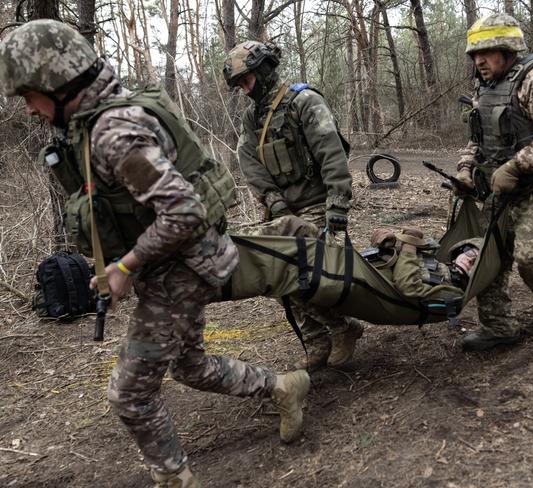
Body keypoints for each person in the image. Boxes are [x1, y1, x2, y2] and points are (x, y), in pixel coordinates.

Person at [0, 20, 310, 488]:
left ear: (57, 83)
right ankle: (283, 387)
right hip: (175, 265)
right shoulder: (94, 125)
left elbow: (183, 212)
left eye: (29, 96)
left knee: (130, 395)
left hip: (182, 268)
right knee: (189, 364)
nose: (29, 110)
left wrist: (126, 266)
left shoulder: (113, 132)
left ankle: (175, 479)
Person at [223, 40, 362, 370]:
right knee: (274, 272)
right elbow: (249, 163)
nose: (244, 90)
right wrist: (274, 202)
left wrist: (338, 209)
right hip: (282, 208)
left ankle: (343, 328)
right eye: (239, 85)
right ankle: (315, 340)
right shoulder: (251, 119)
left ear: (264, 70)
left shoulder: (305, 102)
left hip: (317, 203)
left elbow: (332, 154)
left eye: (247, 81)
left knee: (311, 277)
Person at [454, 14, 533, 351]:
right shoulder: (485, 86)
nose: (479, 60)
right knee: (486, 256)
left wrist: (514, 166)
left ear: (508, 50)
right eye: (474, 55)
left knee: (532, 257)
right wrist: (466, 169)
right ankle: (498, 327)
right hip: (503, 185)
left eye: (487, 52)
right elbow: (477, 139)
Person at [369, 228, 481, 296]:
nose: (471, 260)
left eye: (478, 262)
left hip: (370, 286)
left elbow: (408, 286)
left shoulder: (454, 292)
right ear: (460, 251)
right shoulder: (437, 262)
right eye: (470, 253)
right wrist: (390, 240)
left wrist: (409, 244)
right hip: (366, 268)